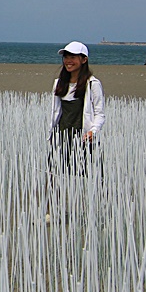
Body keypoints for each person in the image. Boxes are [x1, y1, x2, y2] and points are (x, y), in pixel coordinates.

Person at [46, 42, 105, 205]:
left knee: (92, 175)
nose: (68, 61)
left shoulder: (92, 84)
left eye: (73, 57)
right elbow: (56, 112)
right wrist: (51, 133)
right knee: (53, 174)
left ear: (84, 60)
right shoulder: (59, 83)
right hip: (61, 135)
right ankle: (52, 210)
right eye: (66, 57)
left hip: (84, 137)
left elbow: (100, 114)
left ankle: (95, 209)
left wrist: (93, 130)